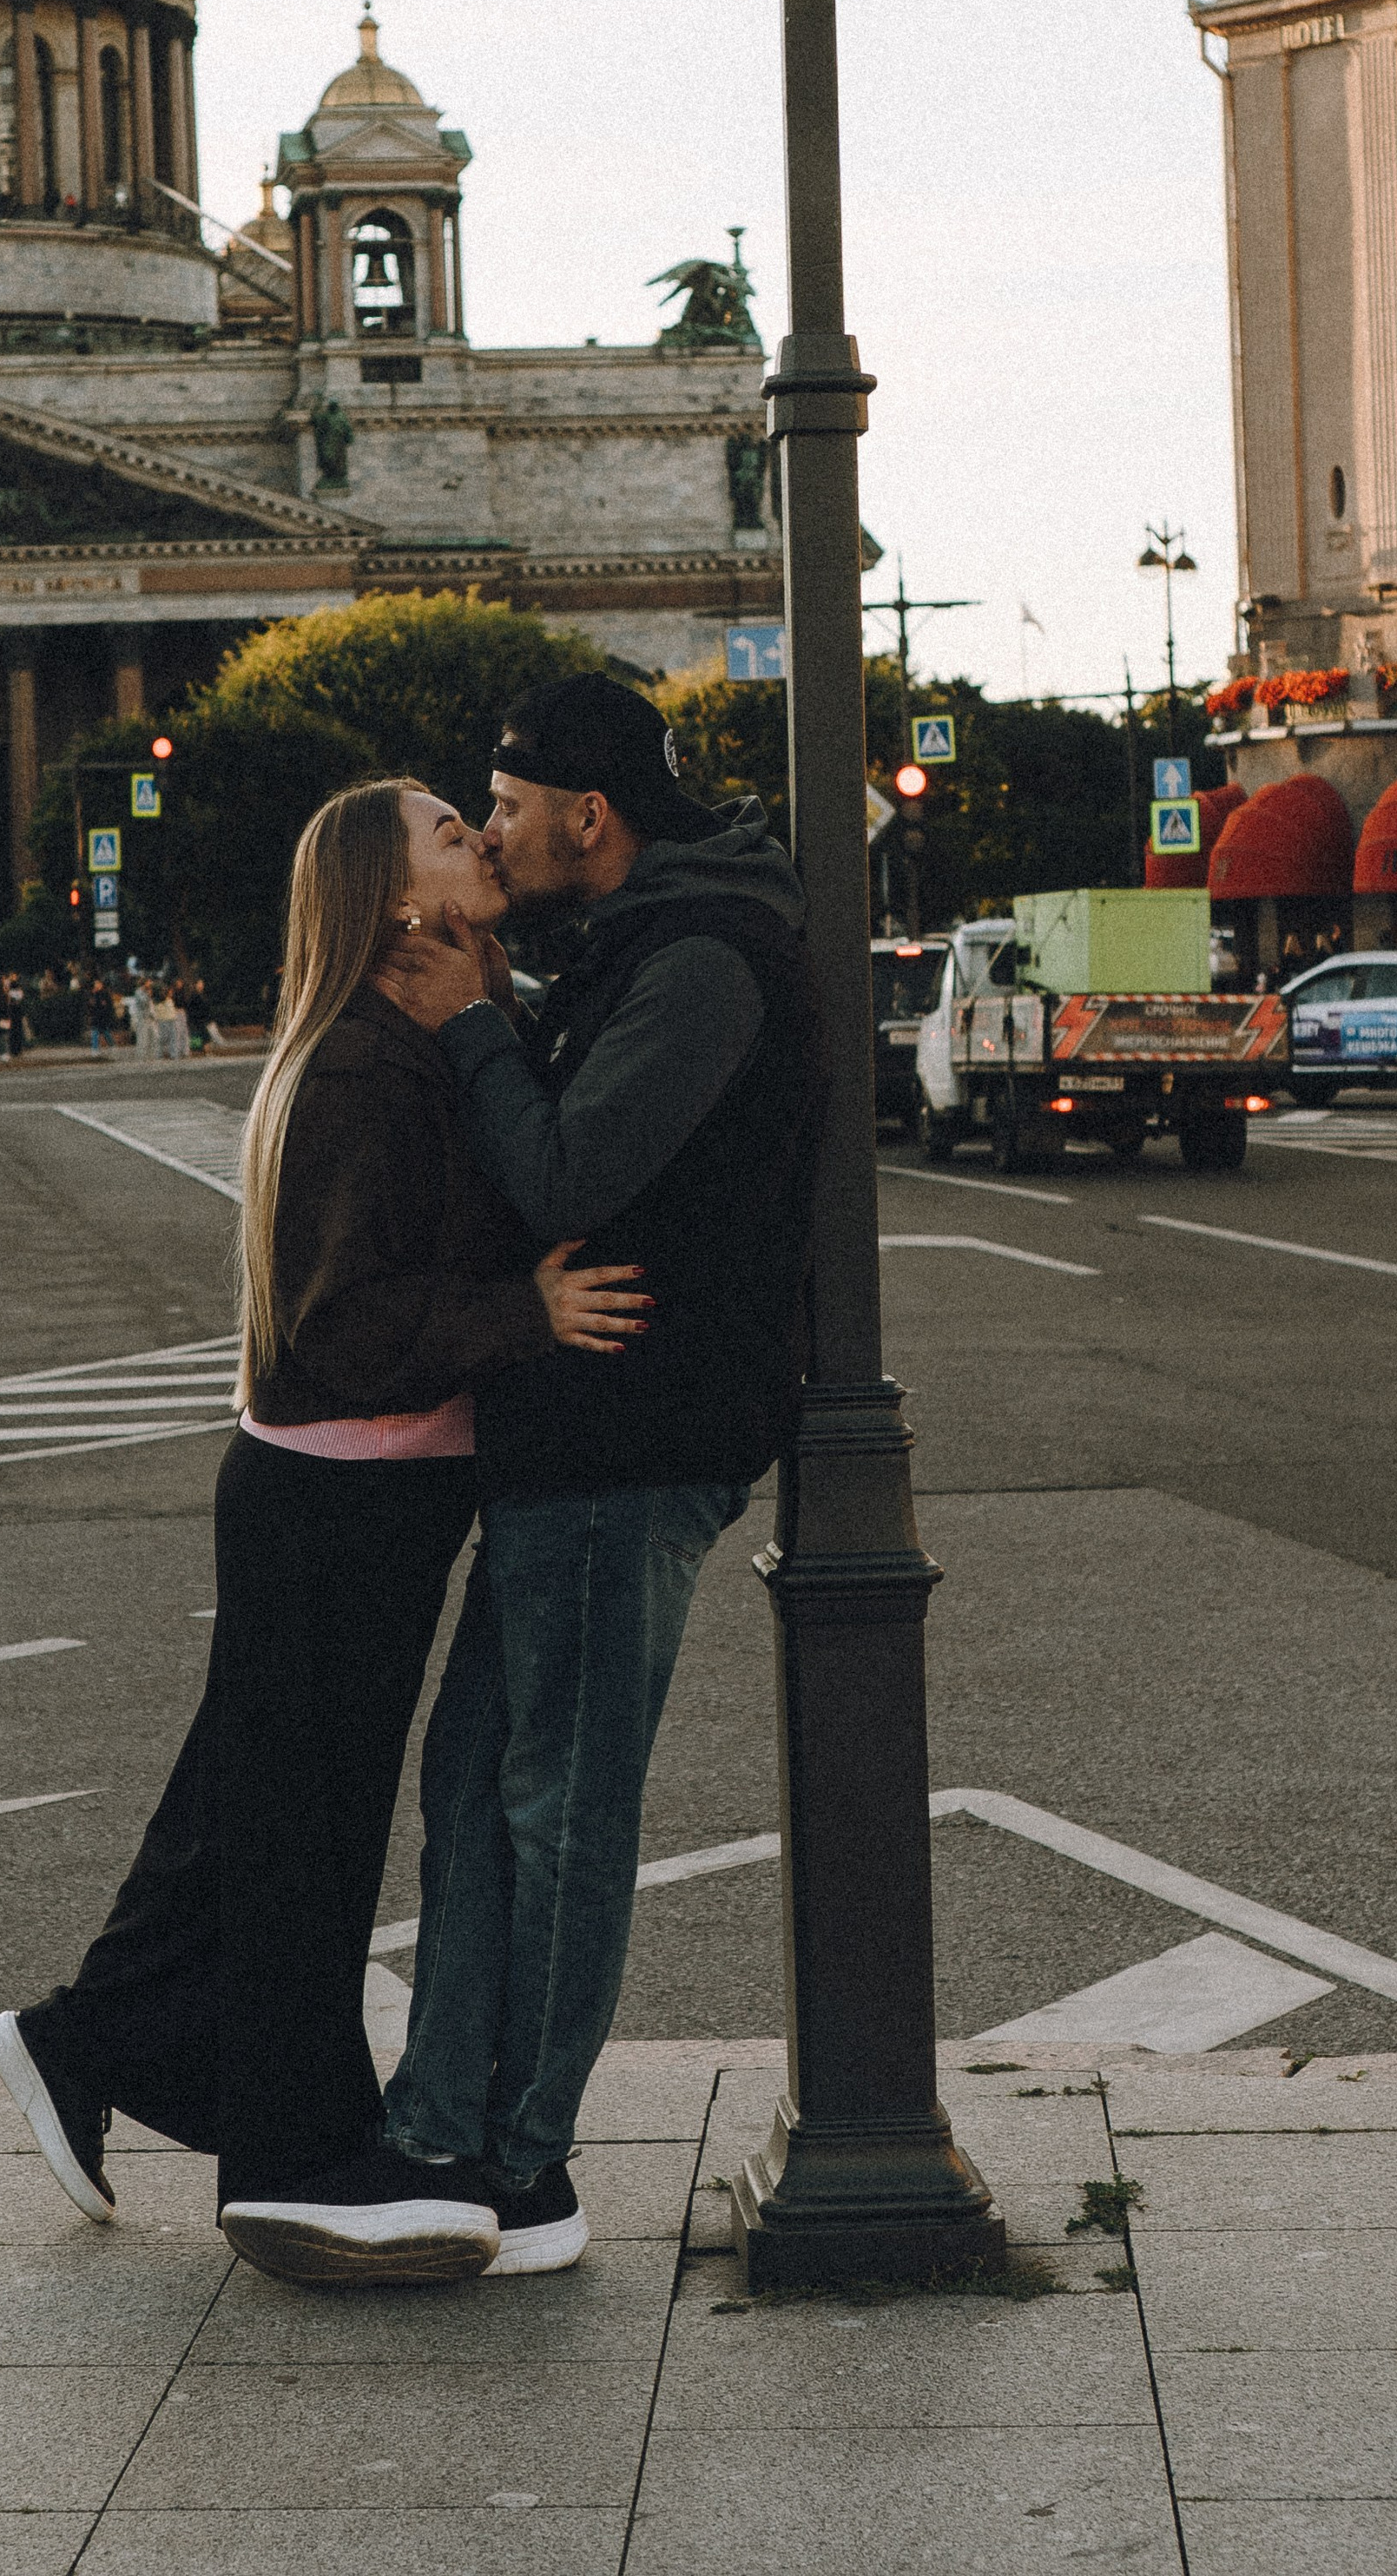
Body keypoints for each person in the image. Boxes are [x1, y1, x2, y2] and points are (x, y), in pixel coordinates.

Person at [0, 778, 647, 2285]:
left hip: (362, 1490)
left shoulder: (414, 1033)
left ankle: (85, 2042)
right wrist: (527, 1313)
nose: (479, 836)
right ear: (393, 898)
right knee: (305, 1833)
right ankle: (287, 2151)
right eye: (445, 831)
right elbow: (345, 1323)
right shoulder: (357, 1062)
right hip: (338, 1490)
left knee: (250, 1809)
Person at [369, 673, 825, 2277]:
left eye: (505, 807)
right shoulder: (642, 941)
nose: (491, 832)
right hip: (574, 1437)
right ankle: (436, 2126)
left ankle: (523, 2165)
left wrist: (470, 1025)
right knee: (477, 1785)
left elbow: (569, 1170)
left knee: (557, 1808)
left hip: (631, 1438)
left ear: (590, 813)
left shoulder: (702, 957)